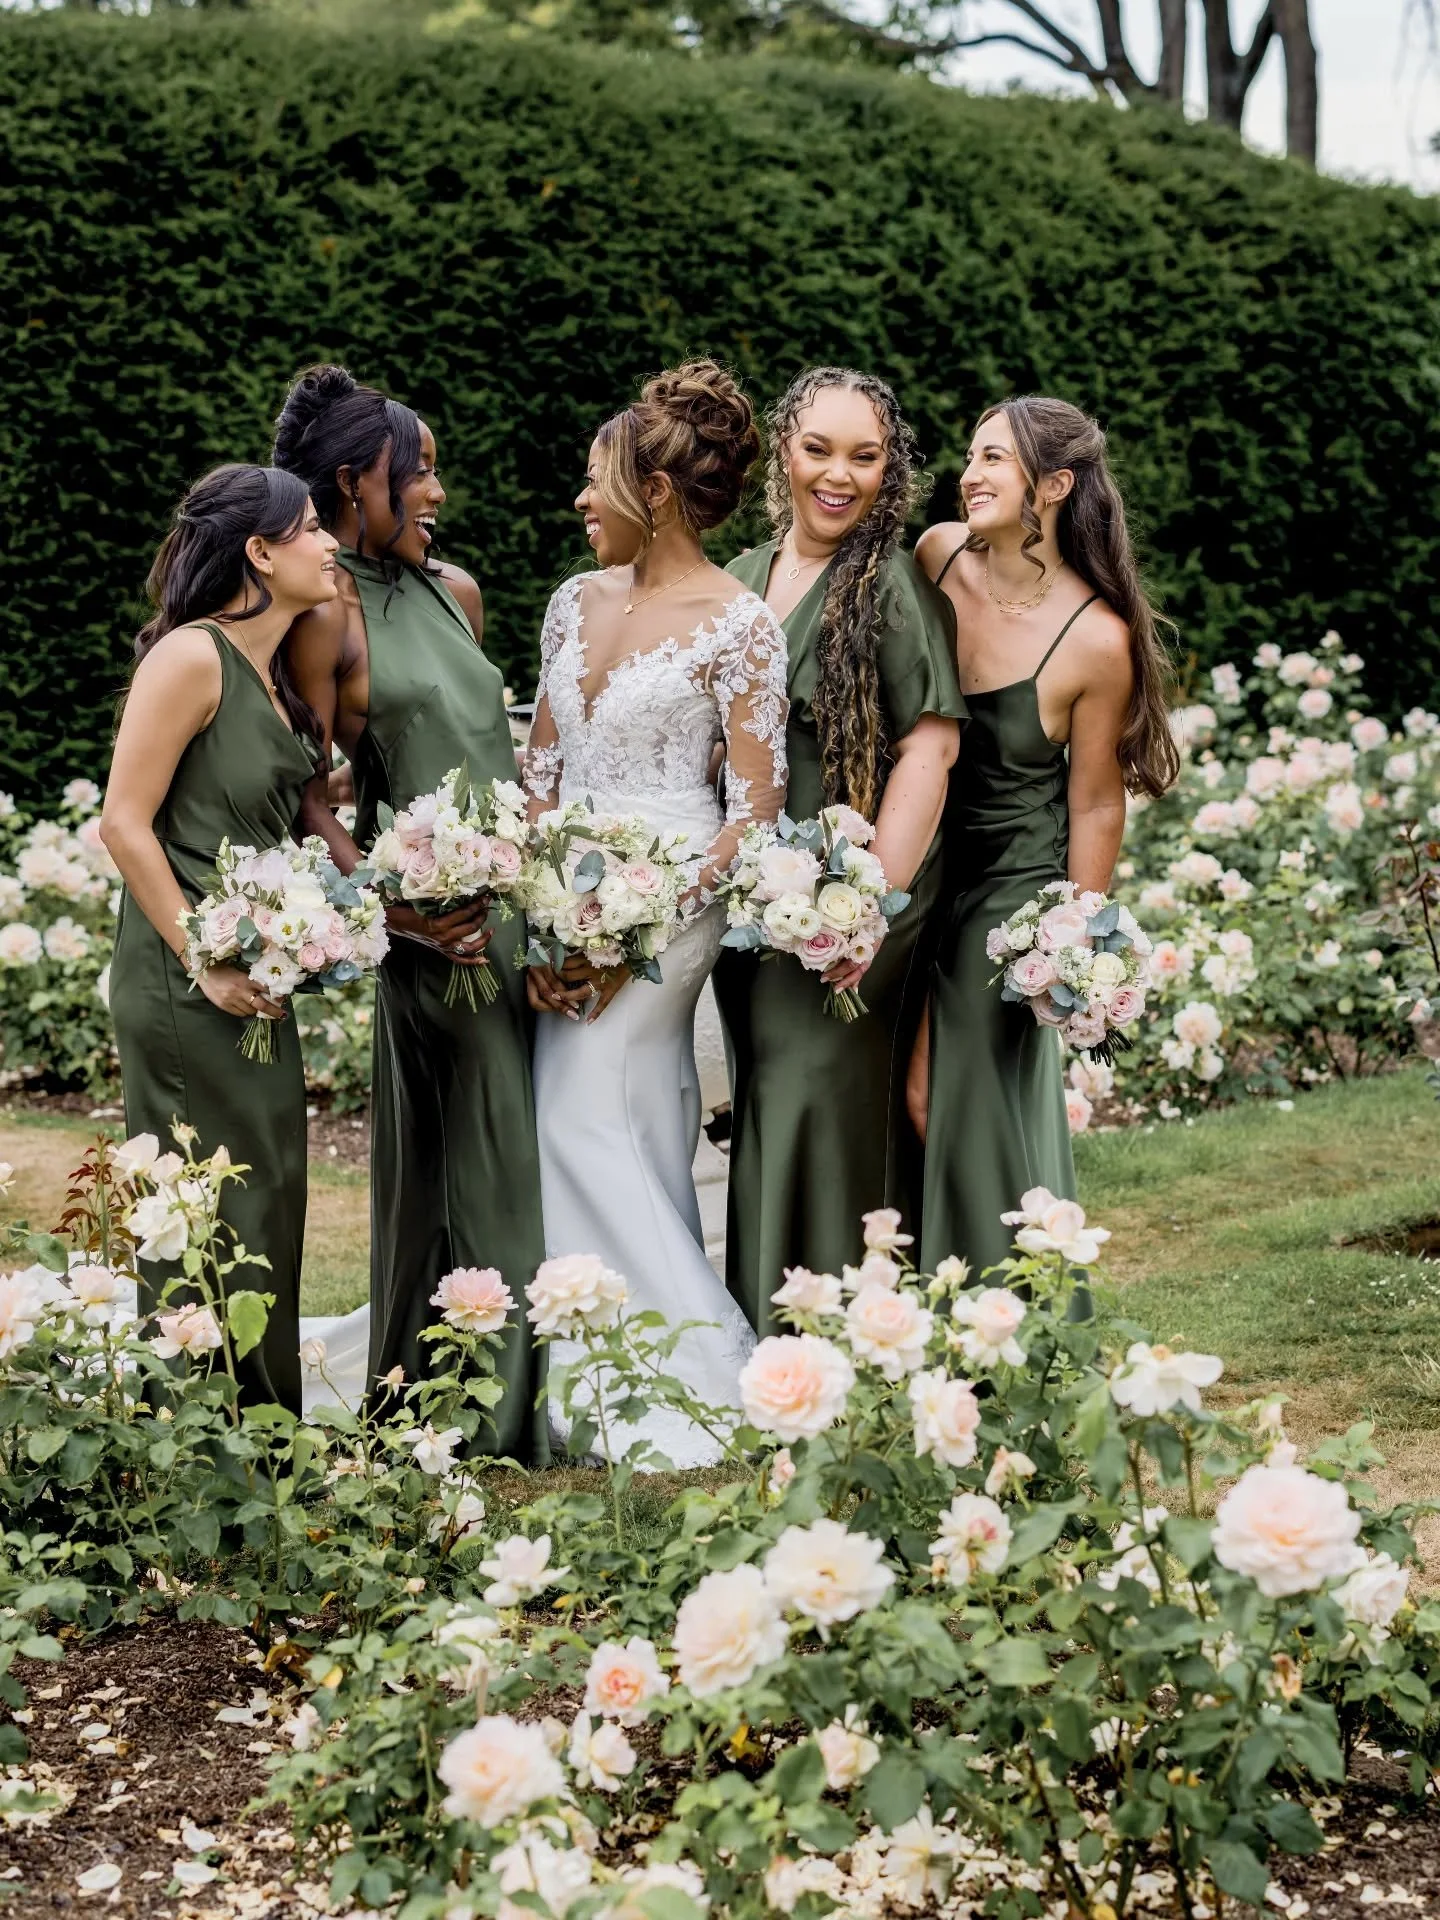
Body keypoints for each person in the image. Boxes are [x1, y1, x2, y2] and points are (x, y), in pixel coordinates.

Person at [276, 365, 547, 1455]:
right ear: (355, 482)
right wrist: (390, 906)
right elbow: (303, 788)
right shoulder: (325, 611)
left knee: (515, 1140)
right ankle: (488, 1409)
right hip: (436, 927)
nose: (436, 491)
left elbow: (496, 748)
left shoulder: (454, 591)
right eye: (416, 472)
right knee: (483, 1154)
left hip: (514, 905)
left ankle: (482, 1380)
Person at [524, 360, 788, 1464]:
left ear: (658, 492)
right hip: (560, 899)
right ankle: (572, 1366)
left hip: (673, 908)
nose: (582, 502)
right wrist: (539, 909)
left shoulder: (739, 624)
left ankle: (677, 1385)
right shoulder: (570, 603)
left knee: (577, 1112)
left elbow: (756, 810)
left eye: (596, 482)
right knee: (597, 1117)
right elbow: (538, 770)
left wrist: (639, 919)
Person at [713, 367, 965, 1334]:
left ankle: (840, 1342)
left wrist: (869, 906)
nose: (840, 474)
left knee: (824, 1095)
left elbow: (930, 747)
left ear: (889, 469)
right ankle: (765, 1338)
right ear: (785, 448)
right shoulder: (738, 579)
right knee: (774, 1097)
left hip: (857, 895)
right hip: (755, 905)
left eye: (865, 456)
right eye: (820, 448)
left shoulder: (890, 586)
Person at [912, 395, 1179, 1277]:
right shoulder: (938, 555)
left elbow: (1098, 802)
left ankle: (1012, 1343)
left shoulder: (1096, 640)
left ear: (1055, 484)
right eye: (972, 454)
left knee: (953, 1105)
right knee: (896, 1102)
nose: (970, 472)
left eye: (995, 458)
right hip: (911, 867)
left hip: (1007, 900)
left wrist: (1073, 942)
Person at [101, 464, 335, 1412]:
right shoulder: (191, 658)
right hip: (183, 977)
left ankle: (262, 1426)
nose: (329, 543)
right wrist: (206, 958)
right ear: (261, 550)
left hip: (254, 972)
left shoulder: (274, 670)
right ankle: (196, 1438)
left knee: (269, 1190)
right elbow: (123, 822)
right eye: (312, 526)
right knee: (205, 1208)